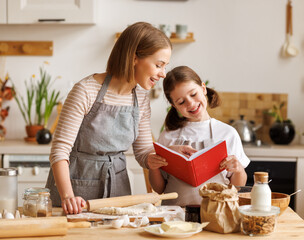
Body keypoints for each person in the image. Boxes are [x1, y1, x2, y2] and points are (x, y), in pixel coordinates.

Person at [45, 22, 195, 214]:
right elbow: (59, 151)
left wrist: (168, 154)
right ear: (134, 57)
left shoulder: (141, 97)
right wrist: (68, 196)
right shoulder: (86, 91)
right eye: (158, 65)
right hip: (75, 190)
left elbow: (143, 153)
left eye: (164, 66)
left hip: (118, 190)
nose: (163, 74)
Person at [149, 66, 250, 206]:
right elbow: (159, 189)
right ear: (174, 105)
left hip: (217, 214)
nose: (190, 103)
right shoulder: (168, 136)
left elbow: (237, 187)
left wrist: (238, 169)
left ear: (203, 89)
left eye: (193, 94)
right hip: (176, 216)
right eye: (181, 102)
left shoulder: (228, 133)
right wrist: (153, 167)